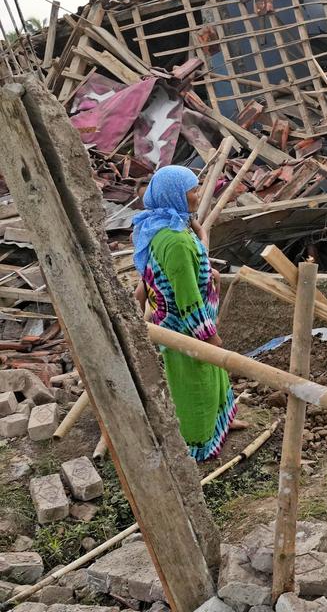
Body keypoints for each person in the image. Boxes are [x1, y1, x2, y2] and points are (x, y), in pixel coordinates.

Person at [132, 165, 240, 461]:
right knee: (196, 385)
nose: (197, 196)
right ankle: (199, 443)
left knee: (215, 374)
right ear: (174, 195)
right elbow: (187, 299)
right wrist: (210, 335)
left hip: (183, 322)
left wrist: (209, 272)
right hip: (184, 328)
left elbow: (189, 268)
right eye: (192, 191)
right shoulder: (176, 241)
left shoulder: (165, 226)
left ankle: (223, 425)